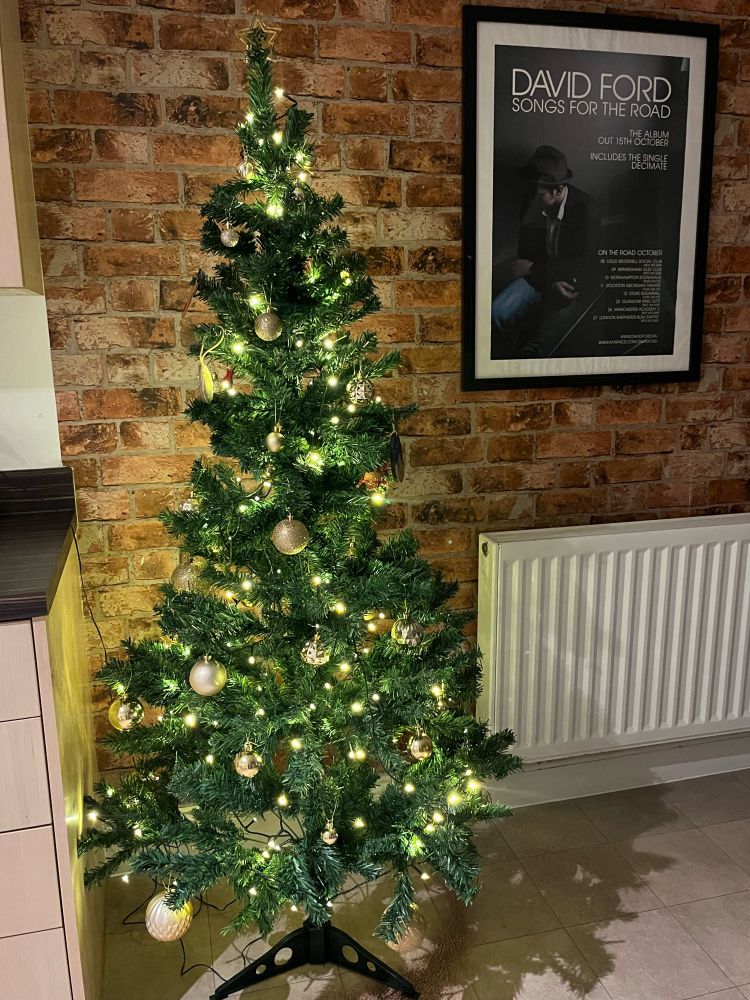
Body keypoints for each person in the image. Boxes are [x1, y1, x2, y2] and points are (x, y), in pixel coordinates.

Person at [492, 145, 599, 358]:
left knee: (535, 349)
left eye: (538, 193)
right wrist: (542, 277)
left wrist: (534, 269)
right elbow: (524, 253)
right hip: (540, 279)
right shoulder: (531, 200)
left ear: (558, 190)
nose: (531, 198)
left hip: (568, 287)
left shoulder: (588, 210)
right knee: (496, 312)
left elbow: (584, 265)